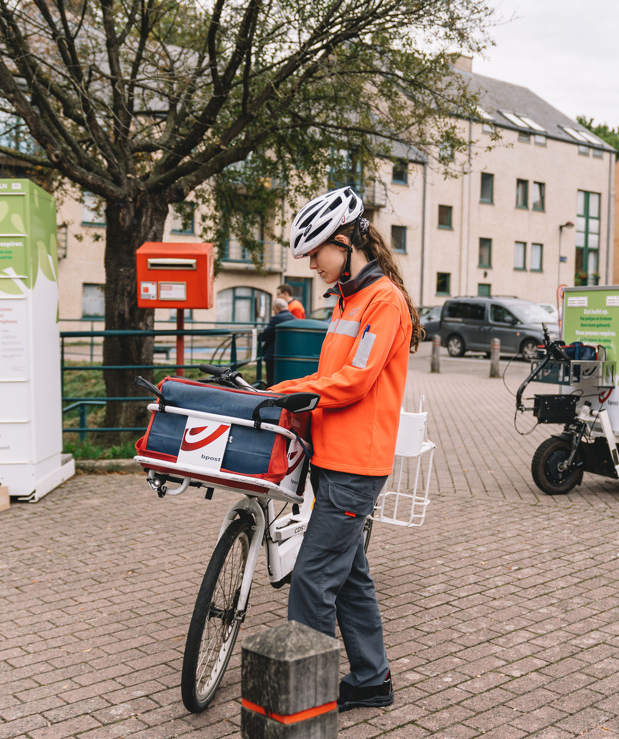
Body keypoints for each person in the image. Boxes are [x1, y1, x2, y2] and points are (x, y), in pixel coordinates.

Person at [268, 186, 423, 712]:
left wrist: (289, 392)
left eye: (316, 254)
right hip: (332, 458)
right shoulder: (348, 300)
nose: (312, 265)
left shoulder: (384, 302)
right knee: (351, 576)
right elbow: (328, 375)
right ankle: (370, 680)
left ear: (343, 242)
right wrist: (280, 391)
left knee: (312, 583)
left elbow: (354, 383)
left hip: (356, 467)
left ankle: (303, 704)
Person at [261, 298, 296, 384]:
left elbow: (266, 335)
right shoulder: (294, 318)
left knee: (271, 381)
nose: (274, 312)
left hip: (273, 354)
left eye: (273, 310)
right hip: (287, 354)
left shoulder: (276, 318)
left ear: (277, 308)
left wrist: (259, 336)